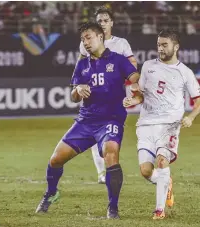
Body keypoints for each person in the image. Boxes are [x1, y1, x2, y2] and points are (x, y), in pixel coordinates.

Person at [35, 22, 140, 219]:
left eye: (89, 37)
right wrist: (77, 90)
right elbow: (73, 96)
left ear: (100, 37)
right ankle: (51, 193)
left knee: (110, 153)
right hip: (85, 122)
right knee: (55, 160)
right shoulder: (82, 64)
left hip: (111, 120)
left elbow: (135, 77)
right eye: (83, 39)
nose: (85, 42)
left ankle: (113, 208)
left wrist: (136, 90)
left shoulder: (118, 60)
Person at [123, 29, 200, 219]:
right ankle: (165, 183)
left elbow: (199, 100)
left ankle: (159, 211)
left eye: (165, 45)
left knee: (162, 161)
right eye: (159, 44)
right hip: (146, 124)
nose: (161, 48)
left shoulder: (185, 72)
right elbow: (141, 94)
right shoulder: (148, 66)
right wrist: (134, 100)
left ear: (176, 46)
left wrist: (190, 117)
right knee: (146, 171)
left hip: (169, 125)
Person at [78, 6, 138, 184]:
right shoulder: (86, 42)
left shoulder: (121, 44)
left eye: (105, 20)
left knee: (109, 136)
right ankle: (101, 173)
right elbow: (81, 66)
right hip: (93, 96)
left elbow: (132, 64)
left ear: (112, 22)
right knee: (94, 133)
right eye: (99, 21)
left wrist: (121, 74)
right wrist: (80, 84)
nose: (102, 23)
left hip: (114, 97)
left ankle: (110, 167)